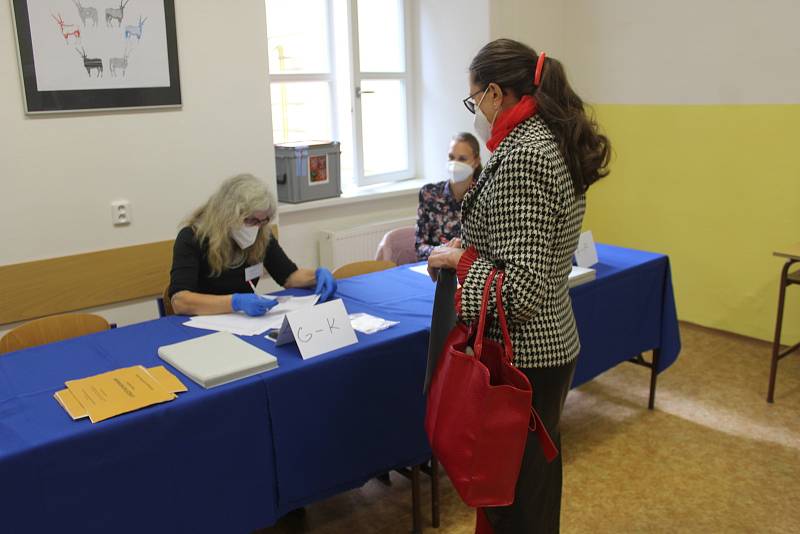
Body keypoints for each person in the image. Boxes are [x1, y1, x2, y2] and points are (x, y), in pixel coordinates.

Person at [428, 39, 611, 533]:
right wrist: (468, 247)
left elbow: (521, 291)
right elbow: (519, 240)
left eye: (475, 101)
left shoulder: (524, 154)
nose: (477, 113)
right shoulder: (545, 138)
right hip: (548, 345)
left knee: (515, 501)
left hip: (523, 357)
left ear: (494, 92)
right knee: (528, 488)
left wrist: (463, 259)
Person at [169, 174, 337, 316]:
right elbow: (180, 301)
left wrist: (317, 275)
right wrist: (235, 302)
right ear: (226, 215)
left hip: (245, 322)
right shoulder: (192, 238)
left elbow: (288, 276)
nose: (256, 227)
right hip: (203, 323)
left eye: (263, 221)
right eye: (251, 220)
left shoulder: (261, 234)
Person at [415, 132, 483, 260]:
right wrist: (446, 253)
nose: (455, 163)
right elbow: (419, 247)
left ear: (476, 161)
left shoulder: (483, 196)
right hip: (434, 270)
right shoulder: (429, 193)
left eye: (462, 159)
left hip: (469, 272)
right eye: (451, 157)